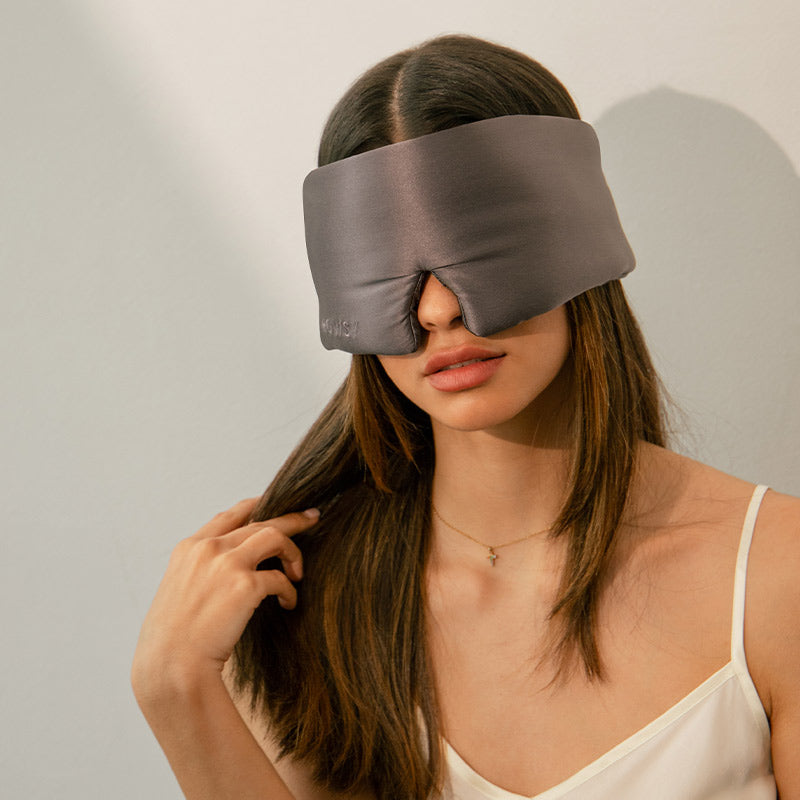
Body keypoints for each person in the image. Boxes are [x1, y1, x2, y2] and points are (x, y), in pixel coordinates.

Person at [131, 34, 800, 800]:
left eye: (476, 245)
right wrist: (175, 688)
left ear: (578, 236)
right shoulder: (305, 601)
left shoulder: (779, 575)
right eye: (388, 264)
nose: (438, 308)